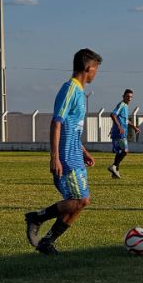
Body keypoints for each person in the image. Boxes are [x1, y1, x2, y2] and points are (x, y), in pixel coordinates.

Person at [25, 48, 103, 255]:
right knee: (80, 200)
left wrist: (83, 150)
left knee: (81, 202)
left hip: (75, 155)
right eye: (96, 69)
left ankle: (47, 242)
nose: (96, 74)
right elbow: (56, 123)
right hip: (66, 157)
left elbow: (72, 128)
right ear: (88, 68)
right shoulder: (70, 90)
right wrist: (55, 157)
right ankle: (37, 217)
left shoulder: (80, 93)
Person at [107, 89, 140, 179]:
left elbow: (125, 120)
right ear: (123, 96)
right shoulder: (121, 105)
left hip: (118, 133)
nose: (129, 98)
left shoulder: (125, 106)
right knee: (125, 151)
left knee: (119, 153)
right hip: (119, 133)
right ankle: (114, 166)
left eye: (131, 97)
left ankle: (115, 173)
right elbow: (113, 115)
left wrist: (134, 127)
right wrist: (119, 126)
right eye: (127, 96)